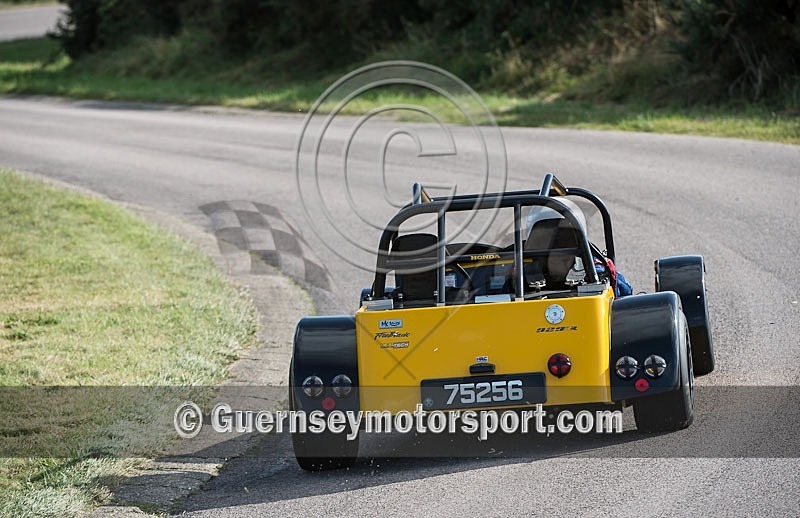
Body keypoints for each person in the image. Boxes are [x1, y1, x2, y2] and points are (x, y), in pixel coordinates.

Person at [524, 198, 632, 297]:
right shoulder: (516, 270)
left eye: (566, 239)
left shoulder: (596, 270)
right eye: (547, 239)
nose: (558, 248)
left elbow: (625, 295)